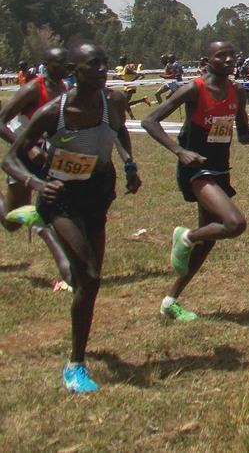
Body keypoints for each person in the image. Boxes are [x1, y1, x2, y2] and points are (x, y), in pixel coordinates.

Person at [3, 42, 141, 392]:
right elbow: (10, 159)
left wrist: (128, 162)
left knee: (83, 279)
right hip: (61, 197)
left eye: (104, 63)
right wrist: (35, 182)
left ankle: (79, 348)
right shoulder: (53, 111)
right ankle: (75, 364)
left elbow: (119, 129)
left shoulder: (114, 102)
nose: (102, 69)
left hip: (97, 194)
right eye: (92, 64)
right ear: (74, 72)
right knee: (90, 277)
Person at [141, 41, 249, 321]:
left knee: (209, 241)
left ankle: (170, 300)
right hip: (197, 170)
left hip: (220, 171)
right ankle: (185, 236)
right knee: (234, 224)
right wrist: (179, 151)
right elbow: (149, 120)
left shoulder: (237, 90)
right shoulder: (194, 89)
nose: (228, 59)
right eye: (221, 55)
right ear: (208, 59)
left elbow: (243, 136)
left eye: (232, 54)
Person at [0, 46, 75, 286]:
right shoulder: (34, 88)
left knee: (55, 209)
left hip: (48, 158)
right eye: (61, 62)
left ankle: (70, 268)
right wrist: (26, 146)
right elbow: (1, 121)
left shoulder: (64, 88)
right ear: (48, 65)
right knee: (12, 223)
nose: (66, 66)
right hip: (23, 157)